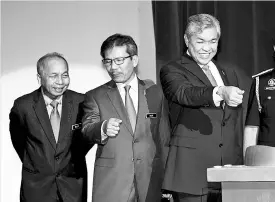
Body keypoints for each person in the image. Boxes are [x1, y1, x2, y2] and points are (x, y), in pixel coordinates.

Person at [160, 13, 245, 202]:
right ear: (186, 40)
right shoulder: (172, 69)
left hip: (229, 172)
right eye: (200, 41)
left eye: (213, 41)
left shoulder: (228, 72)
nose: (207, 48)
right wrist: (219, 92)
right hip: (192, 172)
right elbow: (185, 94)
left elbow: (233, 123)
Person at [81, 33, 170, 202]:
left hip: (151, 180)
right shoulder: (95, 96)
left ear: (134, 60)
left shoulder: (155, 92)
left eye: (119, 60)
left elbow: (164, 138)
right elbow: (86, 129)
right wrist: (102, 128)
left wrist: (168, 180)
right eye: (108, 61)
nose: (113, 67)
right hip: (113, 184)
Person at [9, 52, 91, 202]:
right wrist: (40, 164)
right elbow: (20, 143)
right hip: (37, 188)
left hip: (73, 187)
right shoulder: (23, 106)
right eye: (53, 76)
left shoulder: (82, 102)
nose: (60, 81)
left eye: (65, 75)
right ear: (39, 78)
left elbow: (87, 139)